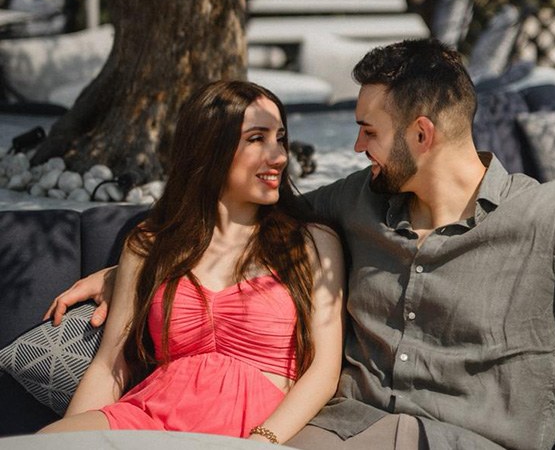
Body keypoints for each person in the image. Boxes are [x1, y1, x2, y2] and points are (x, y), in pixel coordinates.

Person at [47, 39, 555, 450]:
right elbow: (237, 227)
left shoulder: (551, 219)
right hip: (339, 431)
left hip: (458, 439)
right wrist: (129, 272)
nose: (358, 148)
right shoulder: (358, 201)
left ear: (421, 135)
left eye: (368, 131)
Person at [39, 80, 345, 445]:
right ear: (210, 147)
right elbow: (110, 366)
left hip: (252, 433)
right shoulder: (149, 245)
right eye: (257, 138)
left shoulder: (310, 243)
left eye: (280, 138)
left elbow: (324, 372)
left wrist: (263, 440)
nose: (279, 156)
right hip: (146, 419)